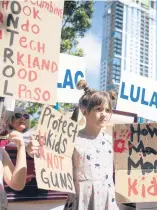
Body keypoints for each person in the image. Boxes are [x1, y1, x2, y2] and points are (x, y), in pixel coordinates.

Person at [26, 80, 119, 210]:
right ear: (85, 111)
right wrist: (32, 149)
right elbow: (47, 156)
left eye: (108, 110)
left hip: (108, 202)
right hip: (80, 201)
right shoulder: (71, 139)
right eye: (99, 109)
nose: (104, 114)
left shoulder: (112, 141)